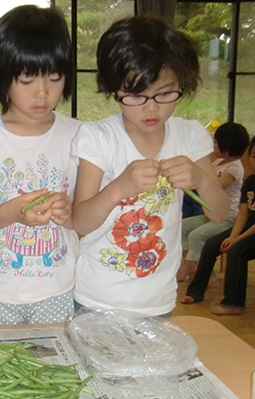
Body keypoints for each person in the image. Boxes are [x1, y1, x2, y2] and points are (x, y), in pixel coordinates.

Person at [71, 15, 229, 316]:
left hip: (158, 300)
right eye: (136, 95)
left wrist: (200, 179)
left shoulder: (189, 135)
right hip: (96, 299)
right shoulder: (98, 137)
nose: (151, 107)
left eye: (165, 93)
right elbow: (80, 222)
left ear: (182, 84)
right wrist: (118, 187)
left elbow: (220, 213)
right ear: (114, 89)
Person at [0, 5, 81, 325]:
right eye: (27, 79)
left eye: (54, 78)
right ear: (2, 77)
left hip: (57, 288)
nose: (43, 93)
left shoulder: (78, 134)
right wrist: (12, 213)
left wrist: (70, 212)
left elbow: (85, 214)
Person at [182, 138, 255, 315]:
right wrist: (232, 236)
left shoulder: (234, 170)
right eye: (254, 156)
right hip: (245, 228)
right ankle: (196, 292)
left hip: (250, 232)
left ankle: (233, 303)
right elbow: (243, 215)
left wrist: (236, 239)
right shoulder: (251, 182)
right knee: (212, 245)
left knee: (237, 250)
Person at [177, 122, 249, 282]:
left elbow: (217, 186)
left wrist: (197, 181)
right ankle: (201, 270)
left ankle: (191, 265)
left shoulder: (235, 168)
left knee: (197, 236)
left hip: (228, 217)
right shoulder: (217, 164)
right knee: (183, 226)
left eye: (215, 142)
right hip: (210, 216)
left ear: (226, 147)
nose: (213, 145)